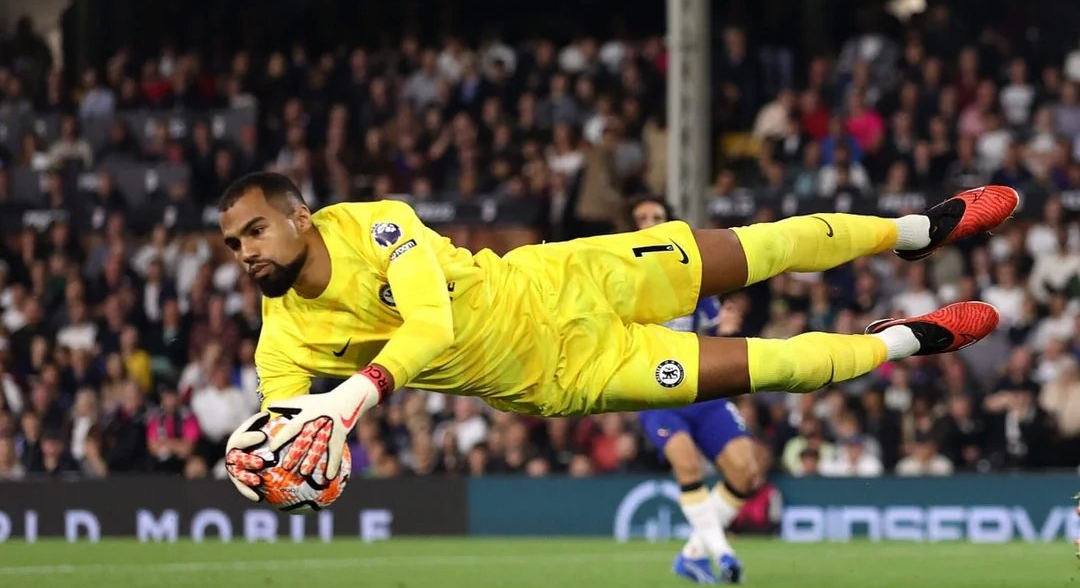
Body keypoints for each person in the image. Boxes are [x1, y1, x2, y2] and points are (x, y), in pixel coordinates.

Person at [218, 172, 1015, 503]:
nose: (247, 252)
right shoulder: (280, 347)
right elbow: (298, 444)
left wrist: (352, 398)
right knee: (778, 369)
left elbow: (432, 322)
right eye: (233, 245)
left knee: (762, 245)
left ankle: (916, 229)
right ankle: (906, 340)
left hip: (568, 277)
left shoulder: (375, 223)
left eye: (255, 230)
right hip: (566, 374)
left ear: (299, 216)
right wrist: (282, 470)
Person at [629, 196, 766, 585]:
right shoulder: (622, 278)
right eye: (642, 217)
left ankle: (692, 554)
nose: (649, 222)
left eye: (656, 216)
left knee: (746, 471)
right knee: (687, 465)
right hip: (654, 391)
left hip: (699, 388)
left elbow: (714, 326)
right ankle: (723, 554)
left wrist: (726, 328)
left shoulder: (690, 275)